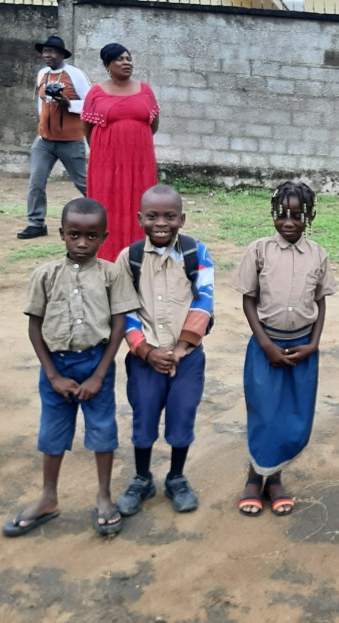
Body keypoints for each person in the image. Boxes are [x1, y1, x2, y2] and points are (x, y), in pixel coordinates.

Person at [3, 198, 138, 537]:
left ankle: (104, 496)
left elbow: (119, 326)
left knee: (103, 430)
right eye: (74, 234)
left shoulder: (112, 274)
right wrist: (53, 376)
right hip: (56, 366)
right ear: (62, 233)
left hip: (96, 364)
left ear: (104, 237)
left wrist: (99, 375)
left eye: (91, 236)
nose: (82, 243)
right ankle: (48, 497)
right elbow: (34, 326)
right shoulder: (45, 275)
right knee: (52, 433)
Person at [231, 182, 337, 516]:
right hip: (266, 346)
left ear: (310, 216)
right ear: (272, 214)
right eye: (282, 214)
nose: (288, 222)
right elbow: (248, 299)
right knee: (264, 410)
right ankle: (254, 477)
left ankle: (275, 478)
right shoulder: (259, 250)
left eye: (297, 215)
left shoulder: (318, 254)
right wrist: (265, 343)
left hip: (302, 348)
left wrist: (313, 344)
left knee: (293, 413)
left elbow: (320, 302)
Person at [114, 184, 214, 516]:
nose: (161, 223)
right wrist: (145, 350)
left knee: (182, 415)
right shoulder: (129, 258)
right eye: (152, 216)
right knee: (143, 416)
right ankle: (142, 478)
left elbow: (204, 300)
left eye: (170, 216)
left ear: (182, 219)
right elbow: (124, 309)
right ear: (139, 218)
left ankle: (176, 477)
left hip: (188, 358)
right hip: (145, 359)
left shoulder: (197, 253)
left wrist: (182, 347)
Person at [81, 43, 159, 262]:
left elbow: (153, 125)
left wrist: (133, 141)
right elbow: (87, 128)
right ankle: (107, 254)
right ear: (108, 65)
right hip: (107, 160)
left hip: (139, 160)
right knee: (109, 201)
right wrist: (105, 150)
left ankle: (140, 253)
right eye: (120, 59)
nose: (126, 62)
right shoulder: (96, 92)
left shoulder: (145, 90)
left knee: (140, 200)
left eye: (128, 58)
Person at [18, 35, 90, 239]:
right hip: (44, 141)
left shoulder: (75, 75)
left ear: (61, 54)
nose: (46, 55)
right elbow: (41, 103)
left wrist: (68, 104)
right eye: (44, 51)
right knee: (36, 182)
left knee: (84, 183)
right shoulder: (42, 74)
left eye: (51, 51)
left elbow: (91, 103)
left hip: (70, 140)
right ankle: (35, 223)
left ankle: (105, 216)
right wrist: (42, 124)